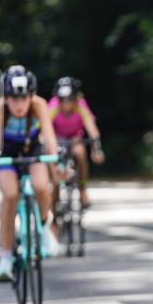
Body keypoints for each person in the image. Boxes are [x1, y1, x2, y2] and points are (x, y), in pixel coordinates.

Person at [0, 66, 65, 282]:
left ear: (31, 95)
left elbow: (49, 137)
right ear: (5, 96)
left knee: (41, 187)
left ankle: (45, 228)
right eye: (13, 99)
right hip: (8, 153)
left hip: (32, 151)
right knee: (10, 196)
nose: (18, 105)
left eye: (23, 98)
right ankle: (6, 258)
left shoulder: (39, 105)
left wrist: (57, 160)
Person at [47, 77, 104, 207]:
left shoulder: (81, 105)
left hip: (74, 138)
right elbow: (45, 126)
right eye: (62, 100)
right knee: (55, 170)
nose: (66, 104)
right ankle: (54, 204)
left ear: (76, 98)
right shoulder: (54, 106)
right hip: (57, 139)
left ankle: (83, 189)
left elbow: (91, 126)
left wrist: (97, 147)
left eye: (70, 99)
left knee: (80, 152)